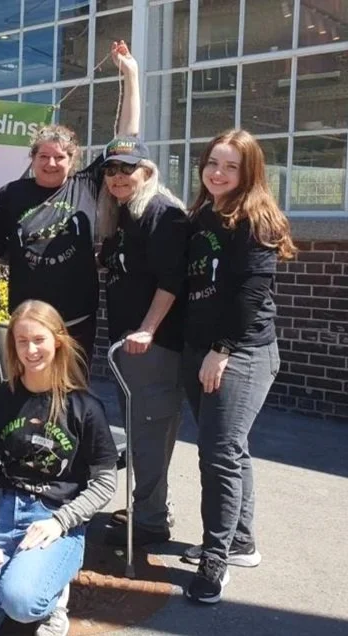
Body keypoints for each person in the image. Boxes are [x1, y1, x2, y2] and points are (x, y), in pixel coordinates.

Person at [0, 300, 118, 636]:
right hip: (2, 515)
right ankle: (18, 578)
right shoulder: (0, 400)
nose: (30, 350)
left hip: (54, 518)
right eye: (21, 341)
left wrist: (61, 522)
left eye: (38, 339)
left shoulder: (85, 407)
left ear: (58, 341)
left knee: (22, 602)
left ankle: (51, 598)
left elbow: (104, 483)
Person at [180, 129, 296, 604]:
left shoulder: (256, 219)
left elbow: (251, 294)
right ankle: (240, 541)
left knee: (218, 454)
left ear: (249, 172)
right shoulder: (203, 214)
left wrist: (221, 349)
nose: (218, 172)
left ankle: (215, 559)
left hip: (240, 352)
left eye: (231, 166)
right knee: (231, 449)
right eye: (213, 163)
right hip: (201, 348)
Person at [0, 41, 140, 367]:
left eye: (60, 157)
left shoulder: (86, 184)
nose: (51, 163)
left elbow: (126, 139)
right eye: (43, 156)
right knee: (28, 389)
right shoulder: (10, 195)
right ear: (32, 158)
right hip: (28, 321)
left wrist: (131, 74)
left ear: (73, 161)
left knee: (73, 389)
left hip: (76, 319)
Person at [95, 137, 189, 547]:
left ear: (147, 171)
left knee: (150, 433)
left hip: (153, 346)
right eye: (111, 170)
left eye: (127, 169)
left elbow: (172, 281)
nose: (118, 177)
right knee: (140, 432)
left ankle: (150, 521)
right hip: (127, 345)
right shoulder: (123, 214)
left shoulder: (162, 214)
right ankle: (150, 507)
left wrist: (148, 329)